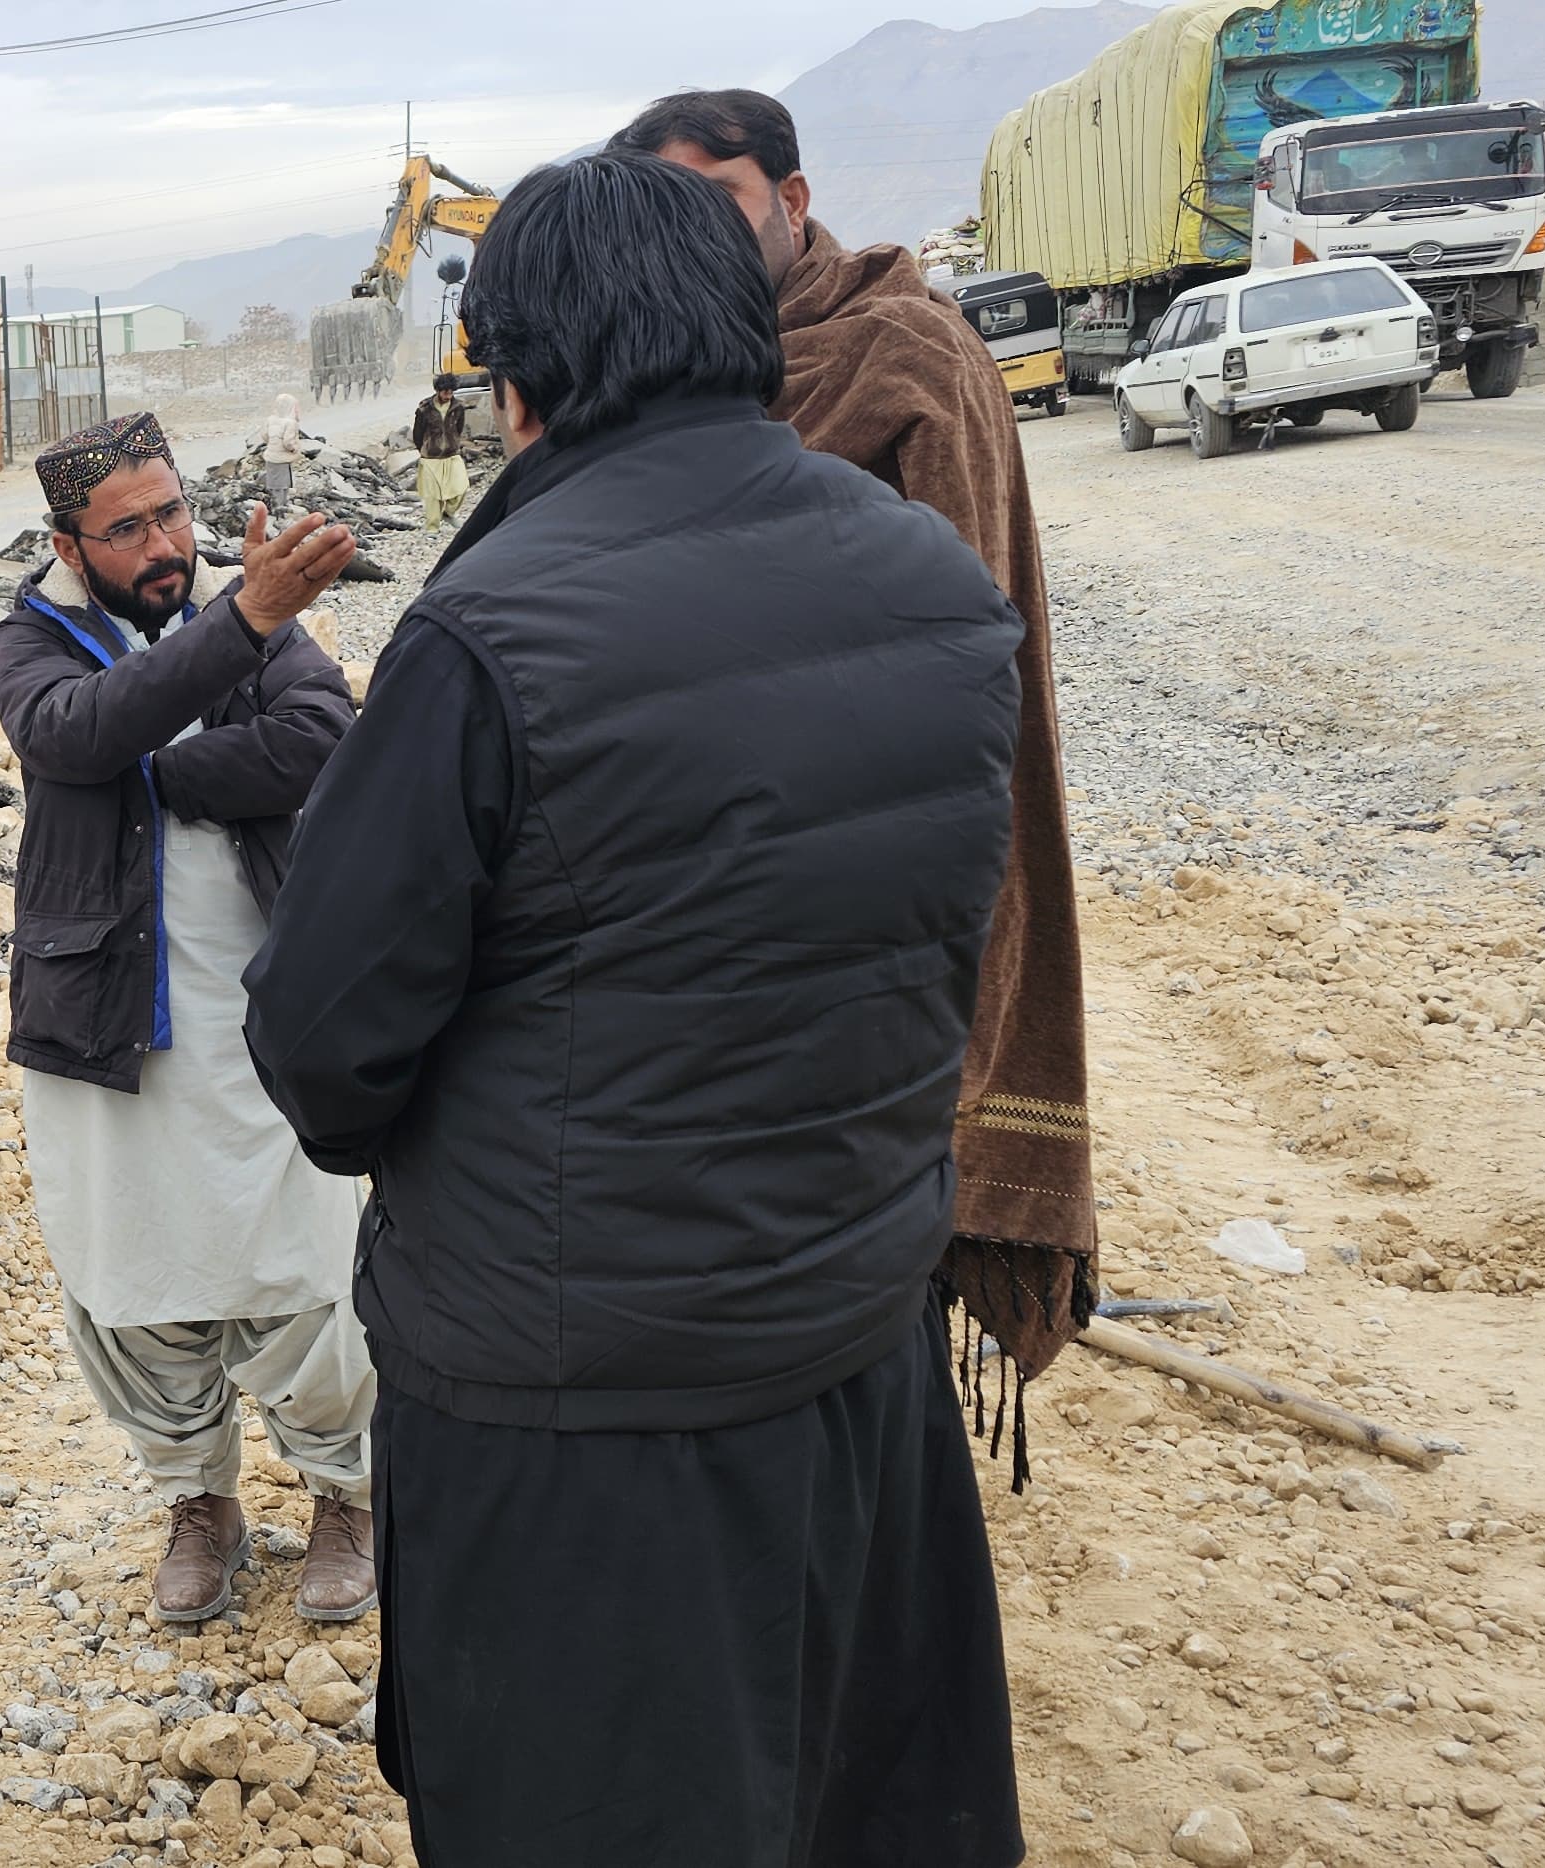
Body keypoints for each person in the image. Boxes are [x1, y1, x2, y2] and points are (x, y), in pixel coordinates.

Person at [243, 151, 1030, 1868]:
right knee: (845, 1797)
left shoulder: (490, 634)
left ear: (517, 380)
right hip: (857, 1351)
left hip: (582, 1419)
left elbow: (322, 1051)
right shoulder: (936, 581)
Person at [613, 88, 1099, 1400]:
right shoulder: (664, 367)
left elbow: (962, 636)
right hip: (721, 867)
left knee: (884, 1200)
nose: (692, 239)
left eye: (716, 203)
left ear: (793, 199)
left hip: (879, 844)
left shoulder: (906, 348)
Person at [0, 409, 375, 1625]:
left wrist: (154, 771)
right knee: (133, 1265)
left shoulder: (239, 606)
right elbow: (71, 731)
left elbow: (322, 738)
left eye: (170, 512)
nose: (164, 543)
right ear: (69, 543)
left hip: (260, 1009)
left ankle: (345, 1491)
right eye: (129, 528)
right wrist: (235, 631)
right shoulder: (31, 635)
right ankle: (196, 1498)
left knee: (303, 1261)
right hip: (103, 1014)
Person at [408, 373, 472, 527]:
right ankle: (432, 528)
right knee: (433, 495)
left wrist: (453, 443)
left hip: (452, 454)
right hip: (431, 457)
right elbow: (417, 433)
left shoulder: (458, 407)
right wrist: (425, 449)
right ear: (438, 390)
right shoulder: (424, 409)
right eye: (445, 392)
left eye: (451, 392)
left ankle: (448, 513)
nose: (448, 396)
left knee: (461, 488)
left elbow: (459, 428)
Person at [255, 391, 310, 507]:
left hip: (271, 457)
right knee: (282, 485)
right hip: (282, 459)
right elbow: (288, 442)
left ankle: (274, 504)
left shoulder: (270, 420)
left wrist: (272, 443)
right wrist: (294, 449)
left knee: (273, 484)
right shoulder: (290, 423)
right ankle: (280, 506)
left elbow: (264, 435)